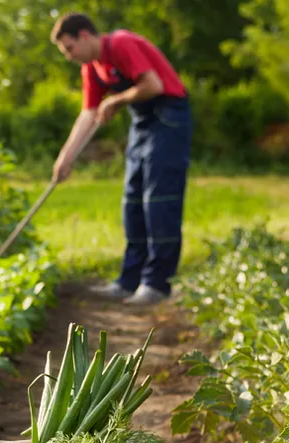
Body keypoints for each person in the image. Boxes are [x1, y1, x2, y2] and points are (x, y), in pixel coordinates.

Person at [50, 13, 192, 305]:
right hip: (143, 123)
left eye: (69, 48)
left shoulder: (122, 44)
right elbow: (88, 113)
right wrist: (66, 158)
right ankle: (129, 281)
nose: (68, 56)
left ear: (85, 36)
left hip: (169, 118)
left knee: (159, 201)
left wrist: (115, 100)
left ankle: (156, 284)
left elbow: (153, 86)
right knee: (133, 201)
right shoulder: (92, 68)